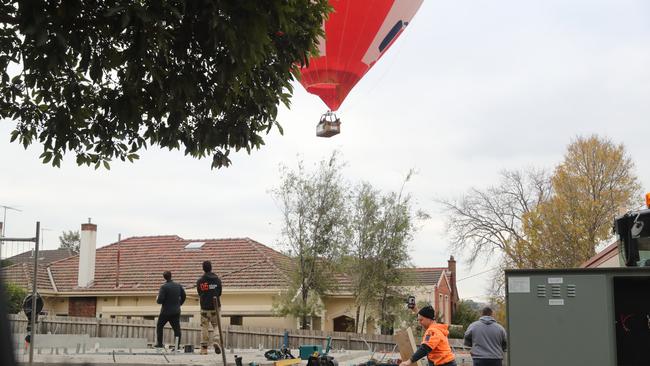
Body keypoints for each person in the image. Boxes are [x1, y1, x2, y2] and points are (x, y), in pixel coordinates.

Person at [197, 260, 223, 355]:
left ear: (203, 269)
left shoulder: (200, 281)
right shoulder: (217, 280)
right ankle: (216, 340)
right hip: (215, 307)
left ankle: (204, 349)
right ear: (211, 268)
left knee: (204, 326)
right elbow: (219, 293)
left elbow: (199, 293)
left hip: (204, 308)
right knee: (216, 325)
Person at [155, 271, 186, 349]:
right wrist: (179, 304)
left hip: (165, 312)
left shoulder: (164, 287)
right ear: (171, 276)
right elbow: (184, 296)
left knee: (159, 326)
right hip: (176, 311)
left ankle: (159, 344)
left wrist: (157, 298)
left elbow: (160, 300)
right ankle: (177, 345)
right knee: (177, 329)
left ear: (164, 277)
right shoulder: (178, 286)